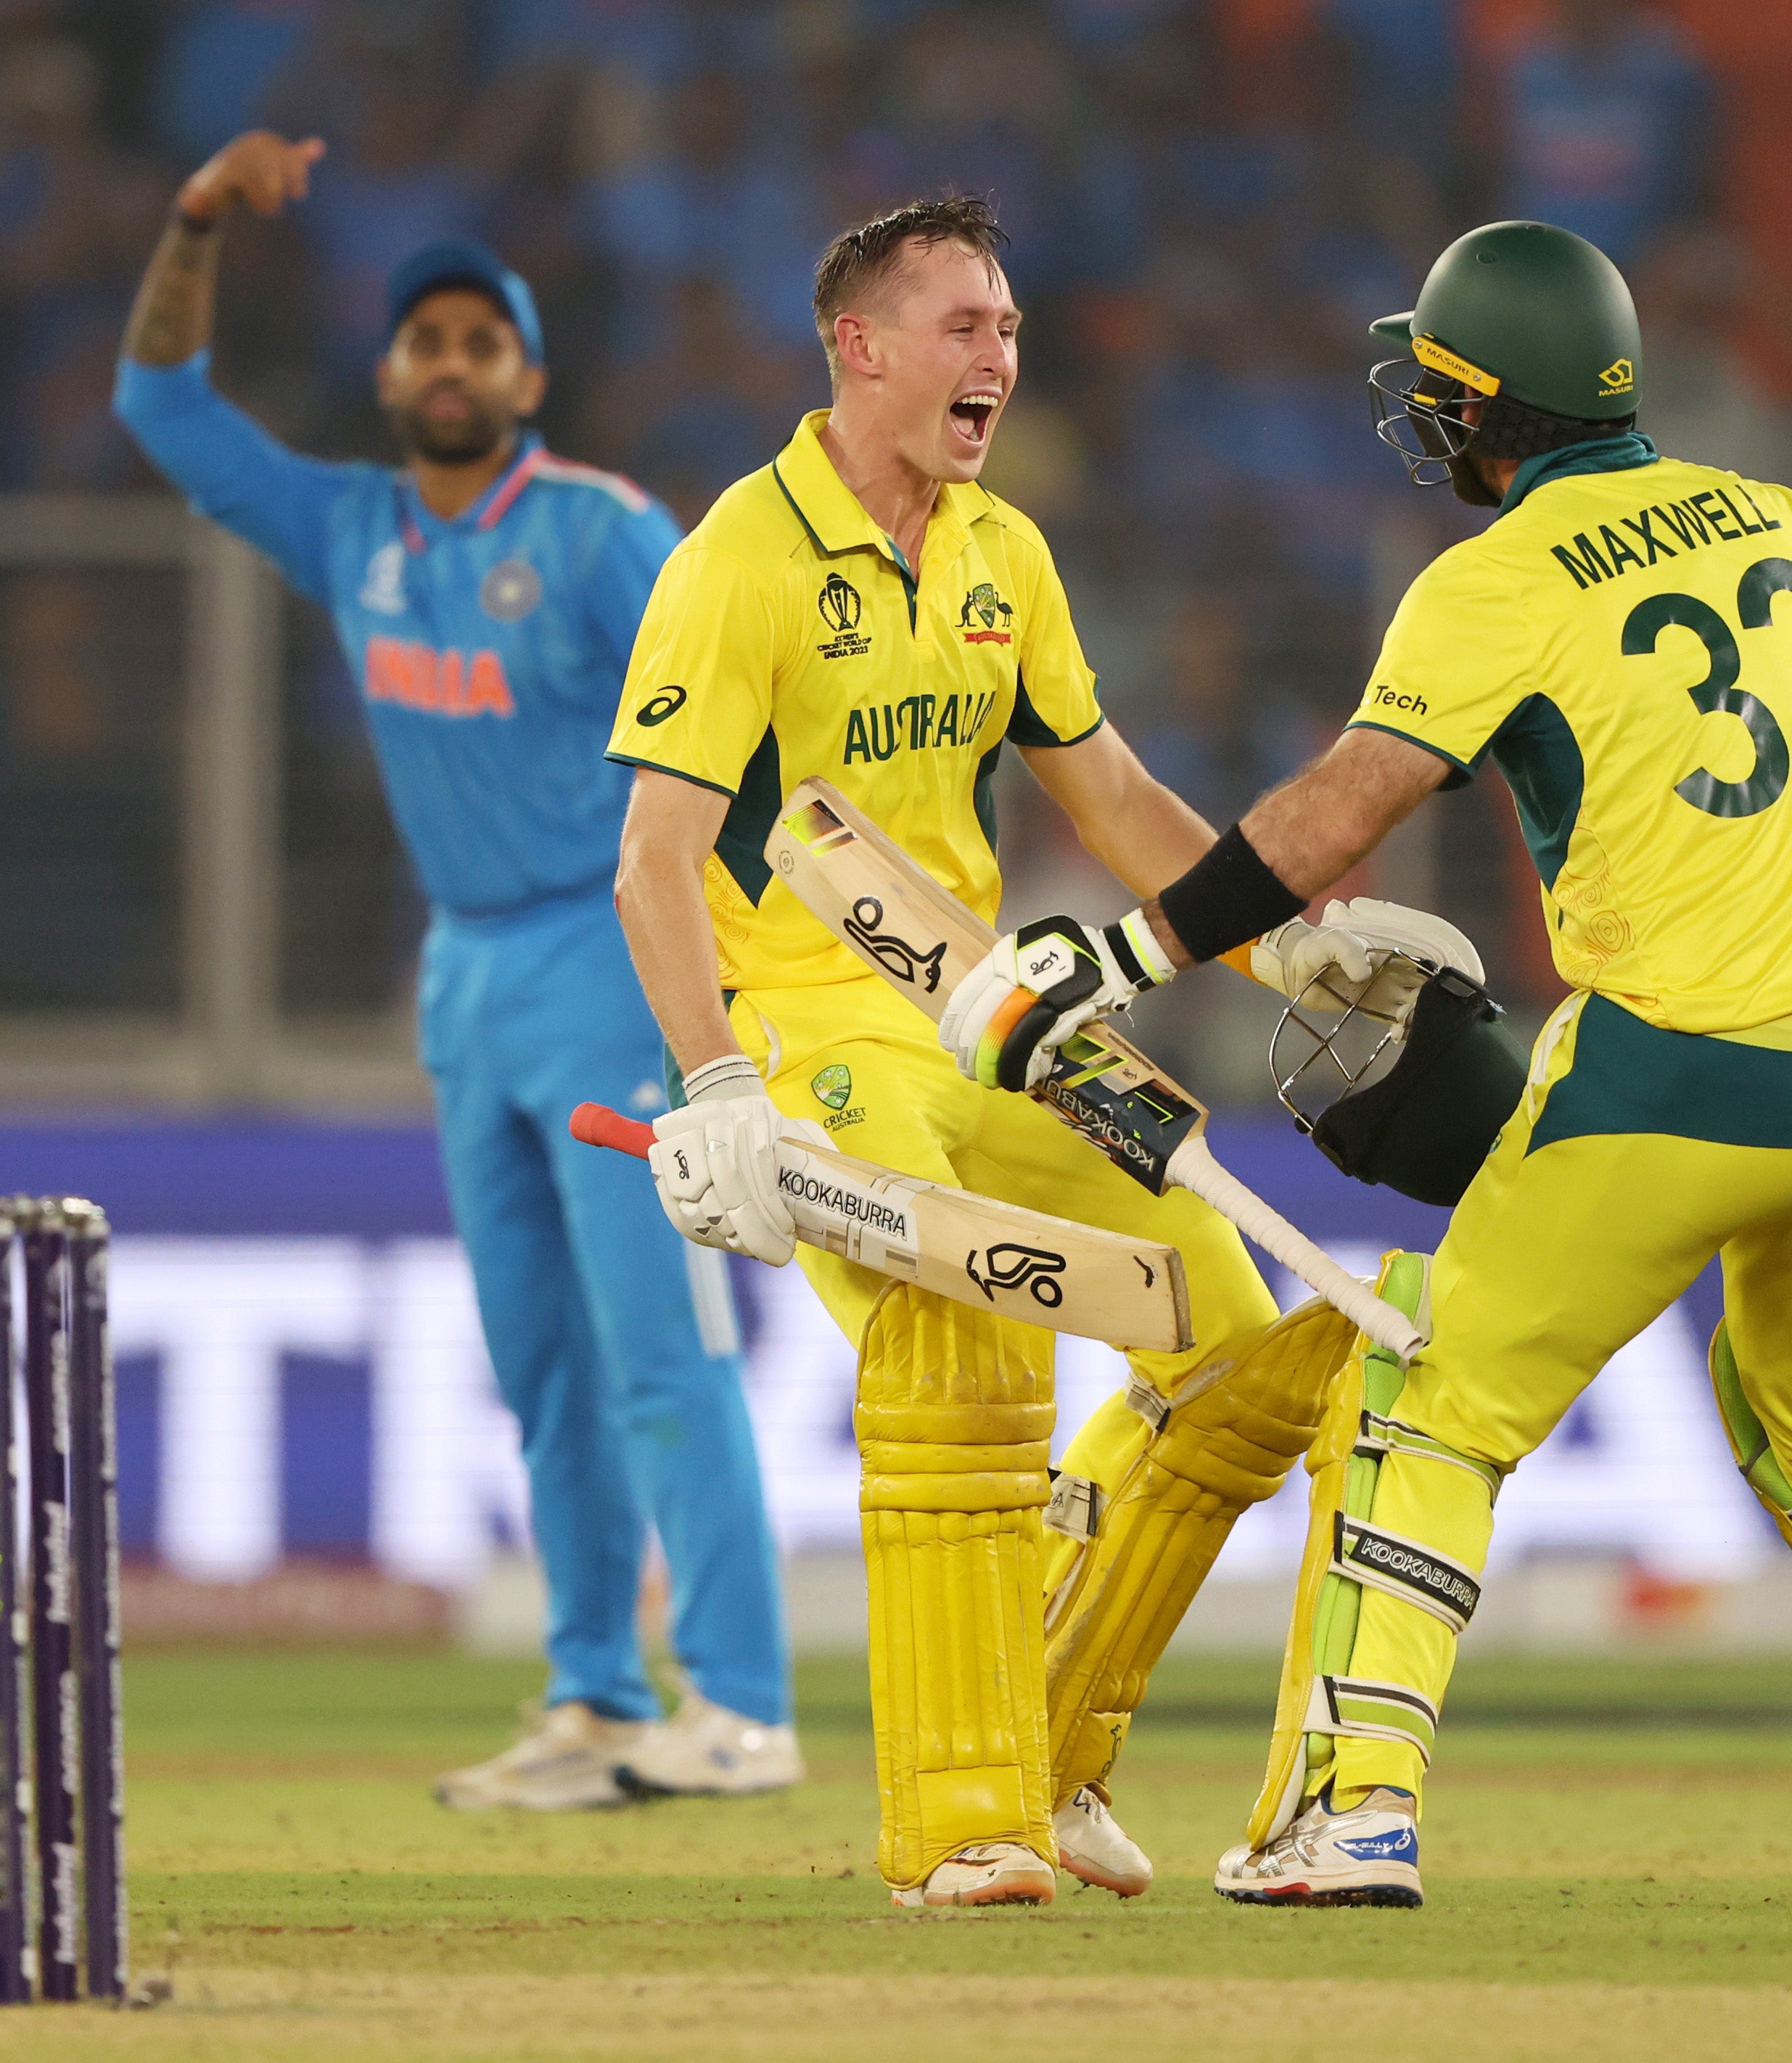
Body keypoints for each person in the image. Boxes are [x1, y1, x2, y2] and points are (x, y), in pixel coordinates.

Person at [942, 221, 1792, 1916]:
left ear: (1484, 406)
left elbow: (1335, 817)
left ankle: (1346, 1818)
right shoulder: (1779, 514)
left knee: (1428, 1391)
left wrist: (1114, 959)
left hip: (1681, 1069)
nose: (1420, 413)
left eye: (1436, 387)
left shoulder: (1500, 579)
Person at [608, 192, 1463, 1909]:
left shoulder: (1003, 552)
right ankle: (959, 1828)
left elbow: (1121, 801)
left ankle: (1052, 1755)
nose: (998, 355)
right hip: (809, 1032)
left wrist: (1285, 938)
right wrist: (712, 1084)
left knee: (1238, 1353)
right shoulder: (738, 561)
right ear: (856, 348)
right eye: (961, 327)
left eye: (1005, 328)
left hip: (990, 1014)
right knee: (951, 1346)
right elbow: (651, 853)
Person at [110, 129, 792, 1809]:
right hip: (468, 977)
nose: (450, 361)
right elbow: (162, 409)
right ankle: (593, 1701)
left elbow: (740, 730)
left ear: (528, 374)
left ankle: (742, 1708)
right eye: (425, 338)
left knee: (659, 1347)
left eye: (481, 339)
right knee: (542, 1368)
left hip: (606, 956)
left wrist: (754, 963)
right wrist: (196, 218)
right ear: (390, 369)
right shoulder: (352, 530)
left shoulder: (598, 533)